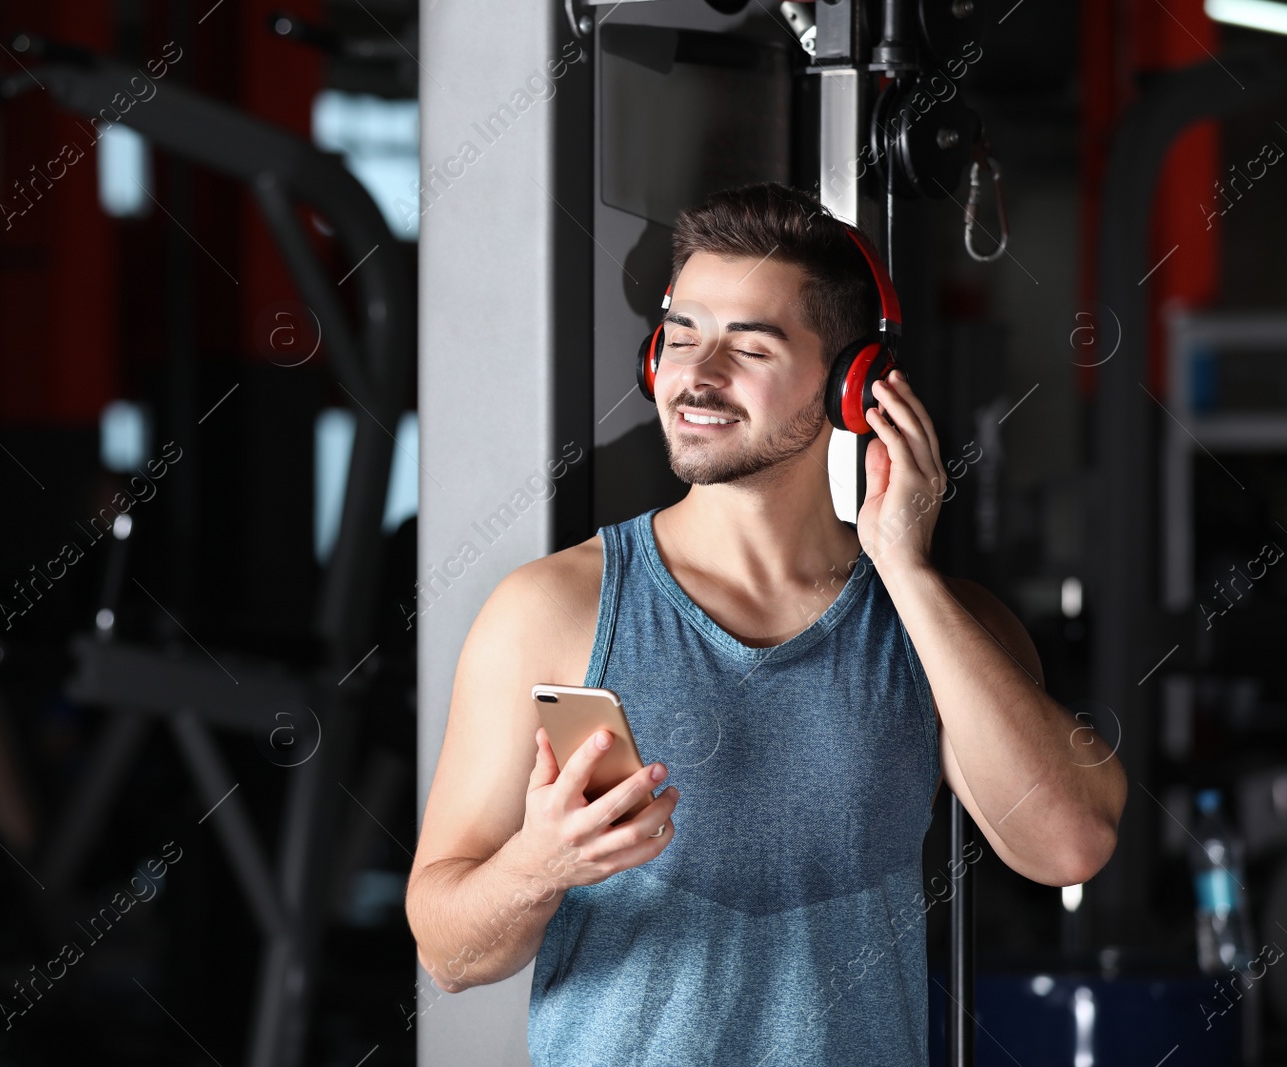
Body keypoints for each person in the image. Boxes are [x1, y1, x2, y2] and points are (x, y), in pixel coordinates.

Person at [404, 182, 1127, 1065]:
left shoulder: (937, 628)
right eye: (679, 339)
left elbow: (1072, 845)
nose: (697, 376)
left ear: (852, 386)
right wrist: (542, 863)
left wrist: (904, 567)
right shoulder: (551, 610)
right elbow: (445, 951)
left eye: (748, 348)